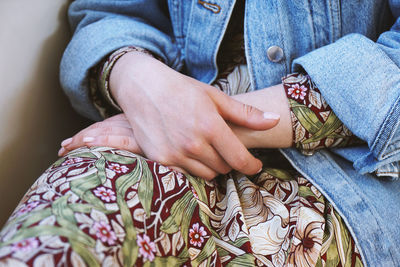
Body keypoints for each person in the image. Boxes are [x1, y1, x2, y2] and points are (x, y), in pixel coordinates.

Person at [1, 0, 400, 266]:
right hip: (158, 127)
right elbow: (112, 12)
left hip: (349, 179)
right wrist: (137, 79)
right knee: (60, 233)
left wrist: (200, 122)